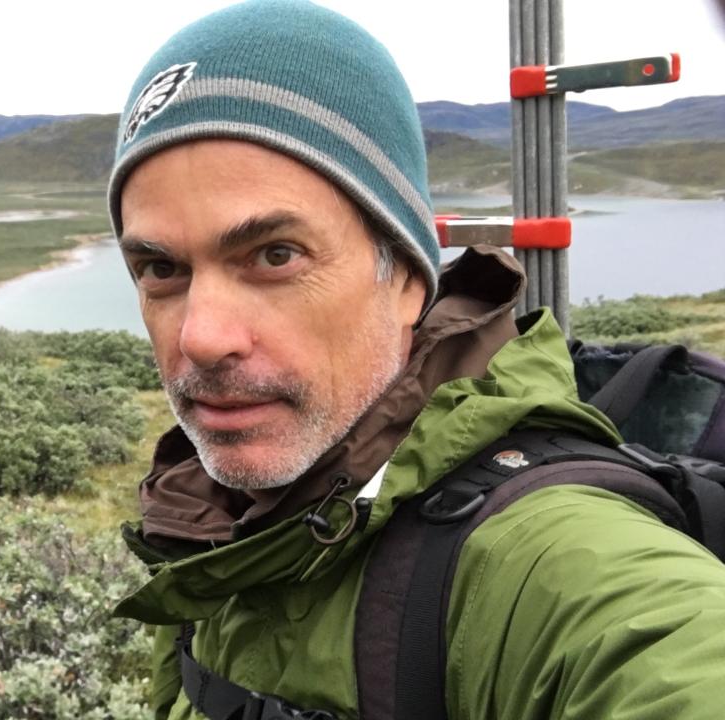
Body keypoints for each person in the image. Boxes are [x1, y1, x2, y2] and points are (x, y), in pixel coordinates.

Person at [107, 1, 725, 718]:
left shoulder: (563, 566)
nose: (202, 338)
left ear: (404, 275)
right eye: (159, 267)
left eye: (275, 255)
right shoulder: (206, 530)